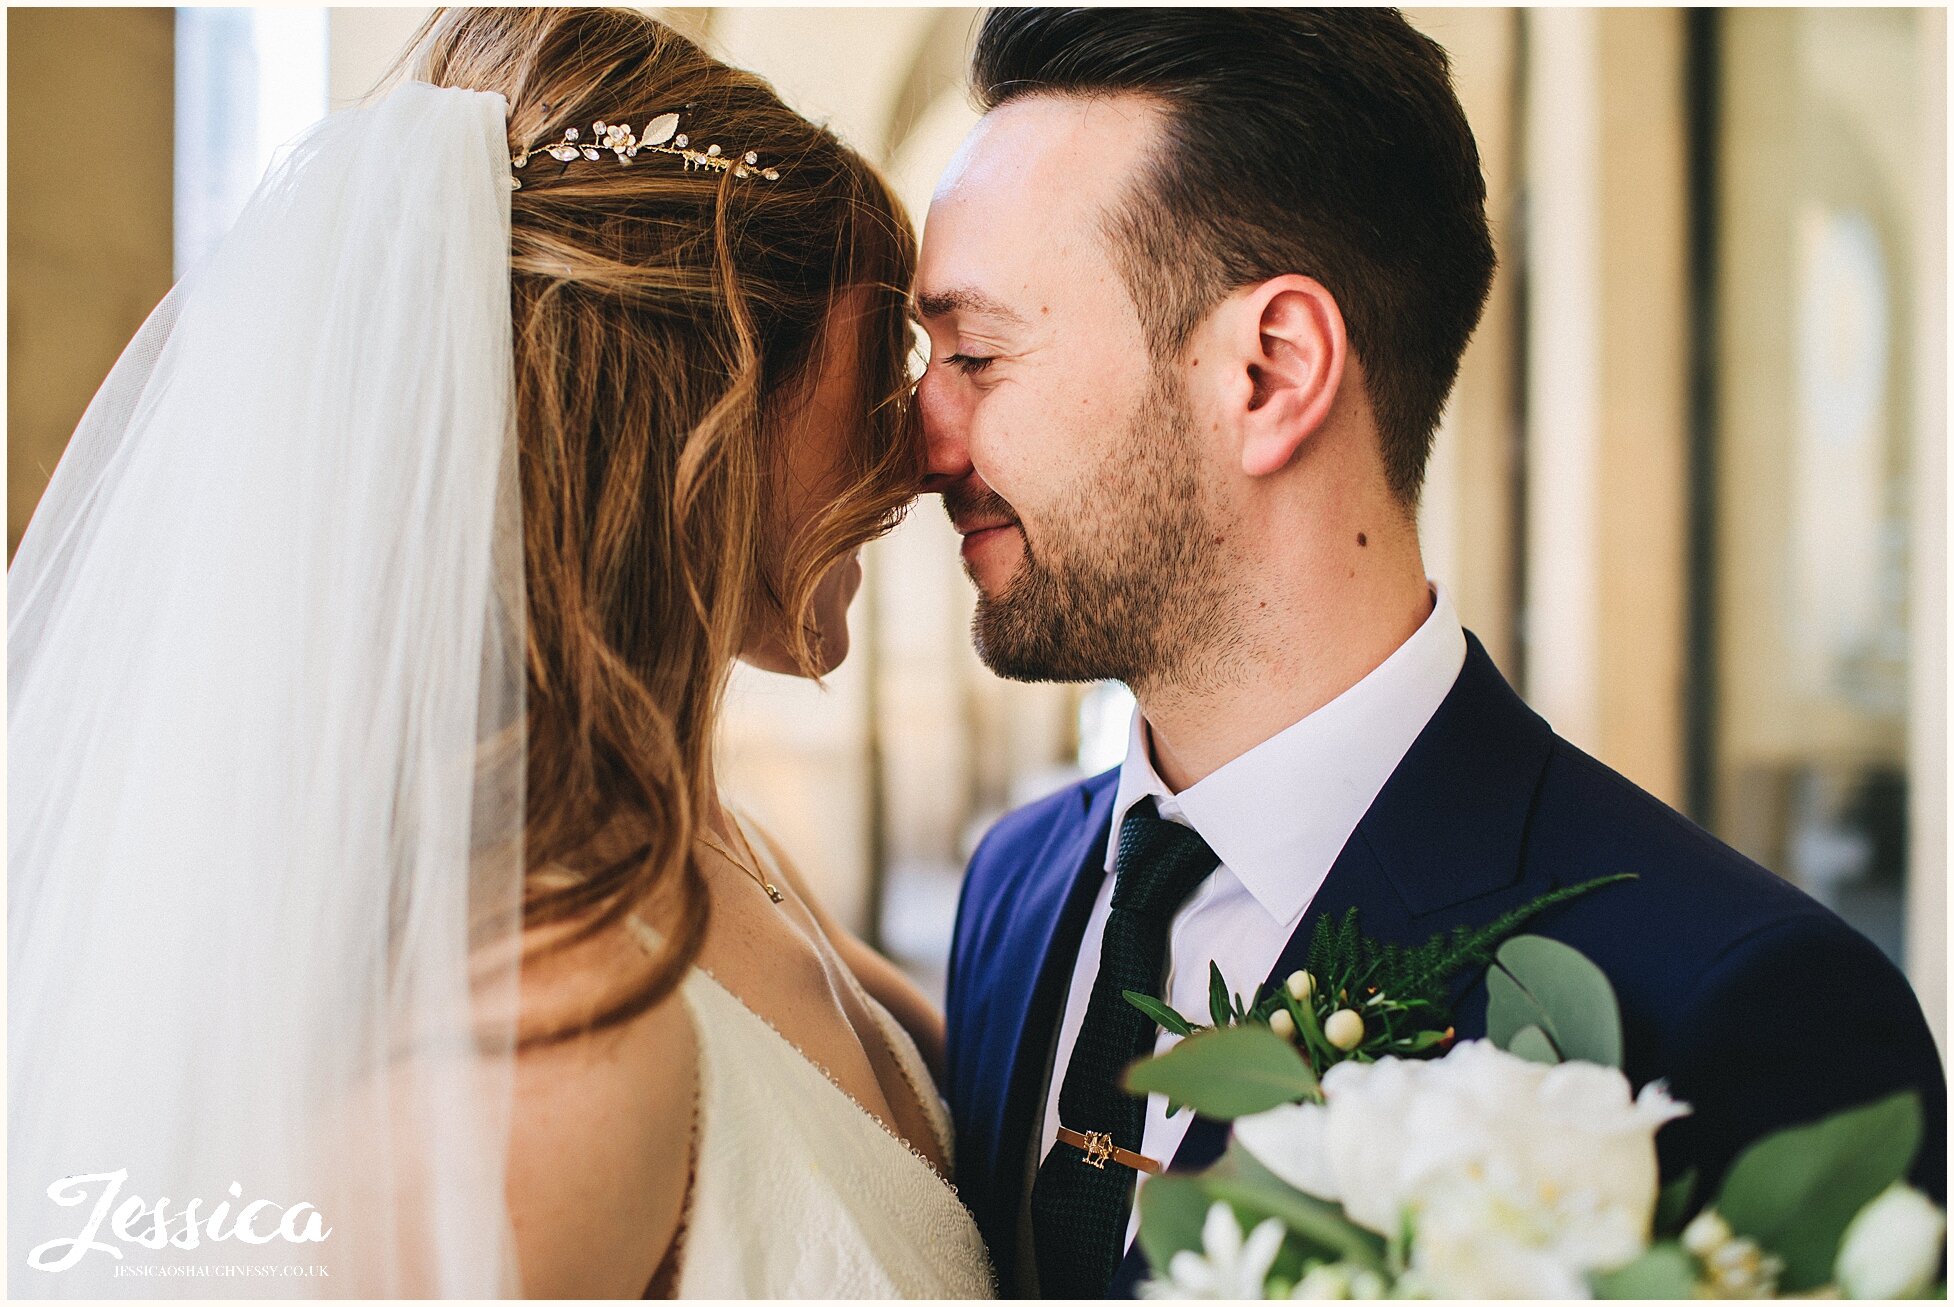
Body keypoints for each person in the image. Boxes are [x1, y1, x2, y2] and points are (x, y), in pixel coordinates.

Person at [918, 8, 1946, 1299]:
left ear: (1269, 372)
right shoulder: (1012, 890)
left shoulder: (1739, 1014)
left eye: (973, 353)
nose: (921, 440)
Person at [10, 7, 991, 1298]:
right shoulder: (535, 1051)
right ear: (701, 415)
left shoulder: (708, 837)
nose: (916, 450)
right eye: (881, 365)